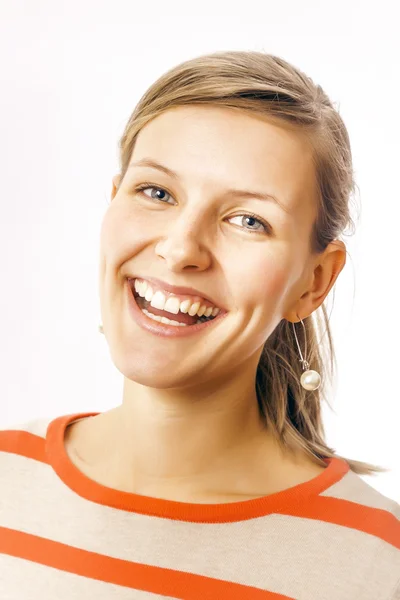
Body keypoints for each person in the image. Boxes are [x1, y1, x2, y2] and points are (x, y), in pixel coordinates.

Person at [1, 50, 399, 599]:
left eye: (248, 220)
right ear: (112, 201)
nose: (180, 248)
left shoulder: (381, 565)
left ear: (314, 282)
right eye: (157, 192)